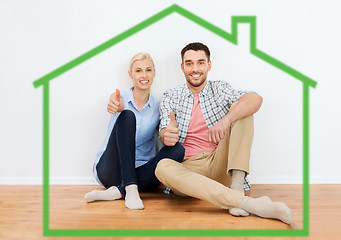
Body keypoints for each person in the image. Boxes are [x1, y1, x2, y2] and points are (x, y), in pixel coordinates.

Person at [155, 42, 293, 224]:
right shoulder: (170, 96)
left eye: (200, 63)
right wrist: (167, 134)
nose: (195, 69)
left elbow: (255, 99)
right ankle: (250, 204)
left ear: (209, 65)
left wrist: (226, 120)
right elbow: (165, 129)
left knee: (242, 108)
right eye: (189, 63)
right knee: (162, 167)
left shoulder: (219, 89)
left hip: (219, 162)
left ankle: (236, 188)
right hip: (189, 170)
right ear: (182, 67)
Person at [84, 53, 184, 210]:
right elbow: (117, 102)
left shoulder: (159, 105)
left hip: (142, 171)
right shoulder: (120, 97)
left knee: (178, 150)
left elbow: (165, 131)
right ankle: (130, 188)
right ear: (130, 74)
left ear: (154, 73)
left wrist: (169, 132)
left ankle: (118, 192)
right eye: (138, 71)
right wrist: (117, 106)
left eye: (148, 70)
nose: (144, 75)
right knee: (128, 115)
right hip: (111, 170)